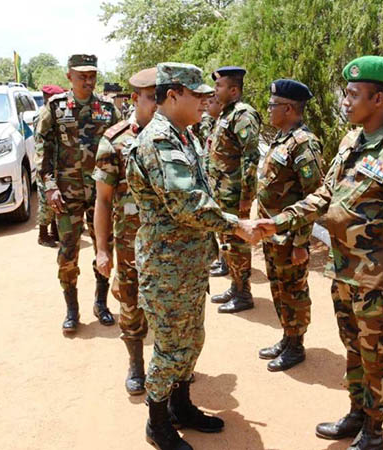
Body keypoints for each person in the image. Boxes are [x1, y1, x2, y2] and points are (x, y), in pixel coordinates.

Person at [254, 56, 383, 450]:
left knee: (378, 358)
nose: (345, 102)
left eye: (353, 94)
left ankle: (374, 430)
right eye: (346, 94)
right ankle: (357, 413)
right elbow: (324, 195)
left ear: (378, 99)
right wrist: (278, 222)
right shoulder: (351, 142)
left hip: (379, 281)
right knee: (353, 350)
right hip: (345, 272)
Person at [125, 62, 257, 450]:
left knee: (192, 338)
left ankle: (180, 406)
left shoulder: (185, 135)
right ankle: (157, 422)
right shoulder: (159, 141)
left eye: (206, 93)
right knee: (170, 346)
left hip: (188, 262)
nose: (206, 99)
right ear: (172, 95)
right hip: (167, 265)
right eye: (197, 94)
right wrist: (236, 225)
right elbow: (188, 205)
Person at [36, 54, 121, 334]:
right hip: (67, 193)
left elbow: (122, 145)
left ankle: (101, 303)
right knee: (68, 252)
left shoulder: (107, 108)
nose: (88, 81)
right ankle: (72, 310)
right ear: (69, 77)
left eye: (92, 76)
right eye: (82, 76)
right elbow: (42, 149)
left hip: (101, 194)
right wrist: (49, 186)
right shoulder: (56, 107)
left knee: (103, 247)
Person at [93, 68, 157, 395]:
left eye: (164, 98)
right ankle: (136, 364)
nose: (158, 105)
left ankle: (172, 367)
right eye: (152, 98)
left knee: (169, 308)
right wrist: (102, 250)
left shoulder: (178, 136)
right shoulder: (114, 140)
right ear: (135, 98)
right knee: (131, 304)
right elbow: (103, 201)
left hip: (169, 244)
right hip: (130, 243)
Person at [257, 79, 324, 372]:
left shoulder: (304, 143)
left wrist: (300, 243)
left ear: (288, 108)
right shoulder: (282, 138)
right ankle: (287, 336)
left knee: (293, 290)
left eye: (272, 105)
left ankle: (296, 345)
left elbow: (314, 196)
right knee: (278, 287)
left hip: (290, 236)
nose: (268, 110)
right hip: (274, 234)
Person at [208, 66, 263, 313]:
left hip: (234, 193)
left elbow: (250, 158)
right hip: (222, 191)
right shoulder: (226, 114)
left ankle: (243, 294)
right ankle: (235, 285)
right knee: (227, 242)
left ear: (233, 90)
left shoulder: (243, 115)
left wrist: (246, 198)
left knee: (237, 243)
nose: (215, 90)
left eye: (219, 86)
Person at [193, 95, 230, 277]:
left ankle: (227, 263)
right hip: (215, 183)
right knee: (219, 228)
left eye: (213, 102)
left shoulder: (218, 124)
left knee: (226, 228)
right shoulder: (217, 125)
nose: (208, 105)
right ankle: (223, 260)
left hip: (226, 186)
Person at [35, 84, 63, 248]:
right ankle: (43, 234)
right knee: (46, 201)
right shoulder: (43, 115)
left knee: (57, 199)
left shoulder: (54, 114)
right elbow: (41, 144)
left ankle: (55, 231)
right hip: (45, 163)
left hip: (56, 163)